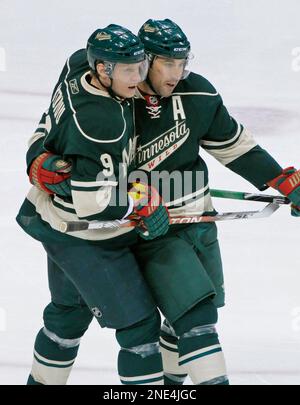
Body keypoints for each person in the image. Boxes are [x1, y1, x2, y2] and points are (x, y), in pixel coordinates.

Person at [22, 19, 300, 386]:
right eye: (167, 63)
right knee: (94, 318)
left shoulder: (196, 94)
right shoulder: (113, 102)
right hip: (127, 229)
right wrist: (36, 159)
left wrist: (279, 179)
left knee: (188, 317)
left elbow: (234, 145)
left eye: (182, 62)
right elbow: (56, 127)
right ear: (143, 60)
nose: (177, 72)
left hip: (188, 220)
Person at [16, 24, 170, 385]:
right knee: (140, 328)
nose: (139, 78)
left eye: (141, 66)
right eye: (129, 70)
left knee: (67, 315)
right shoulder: (101, 124)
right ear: (103, 70)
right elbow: (95, 206)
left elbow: (48, 124)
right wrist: (141, 204)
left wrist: (36, 157)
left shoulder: (74, 65)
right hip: (86, 236)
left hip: (51, 220)